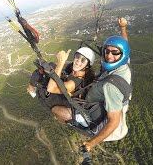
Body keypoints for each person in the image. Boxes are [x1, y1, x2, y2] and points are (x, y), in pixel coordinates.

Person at [48, 17, 131, 151]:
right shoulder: (123, 65)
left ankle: (74, 121)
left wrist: (91, 143)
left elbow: (113, 122)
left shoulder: (111, 87)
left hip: (98, 121)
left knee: (56, 111)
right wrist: (123, 27)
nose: (109, 55)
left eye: (114, 52)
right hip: (106, 103)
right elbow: (124, 44)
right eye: (107, 51)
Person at [45, 47, 96, 122]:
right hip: (68, 92)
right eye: (77, 57)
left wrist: (60, 62)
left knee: (53, 108)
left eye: (83, 60)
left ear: (87, 65)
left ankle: (71, 119)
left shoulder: (76, 82)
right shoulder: (72, 68)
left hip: (72, 104)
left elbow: (51, 88)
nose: (78, 62)